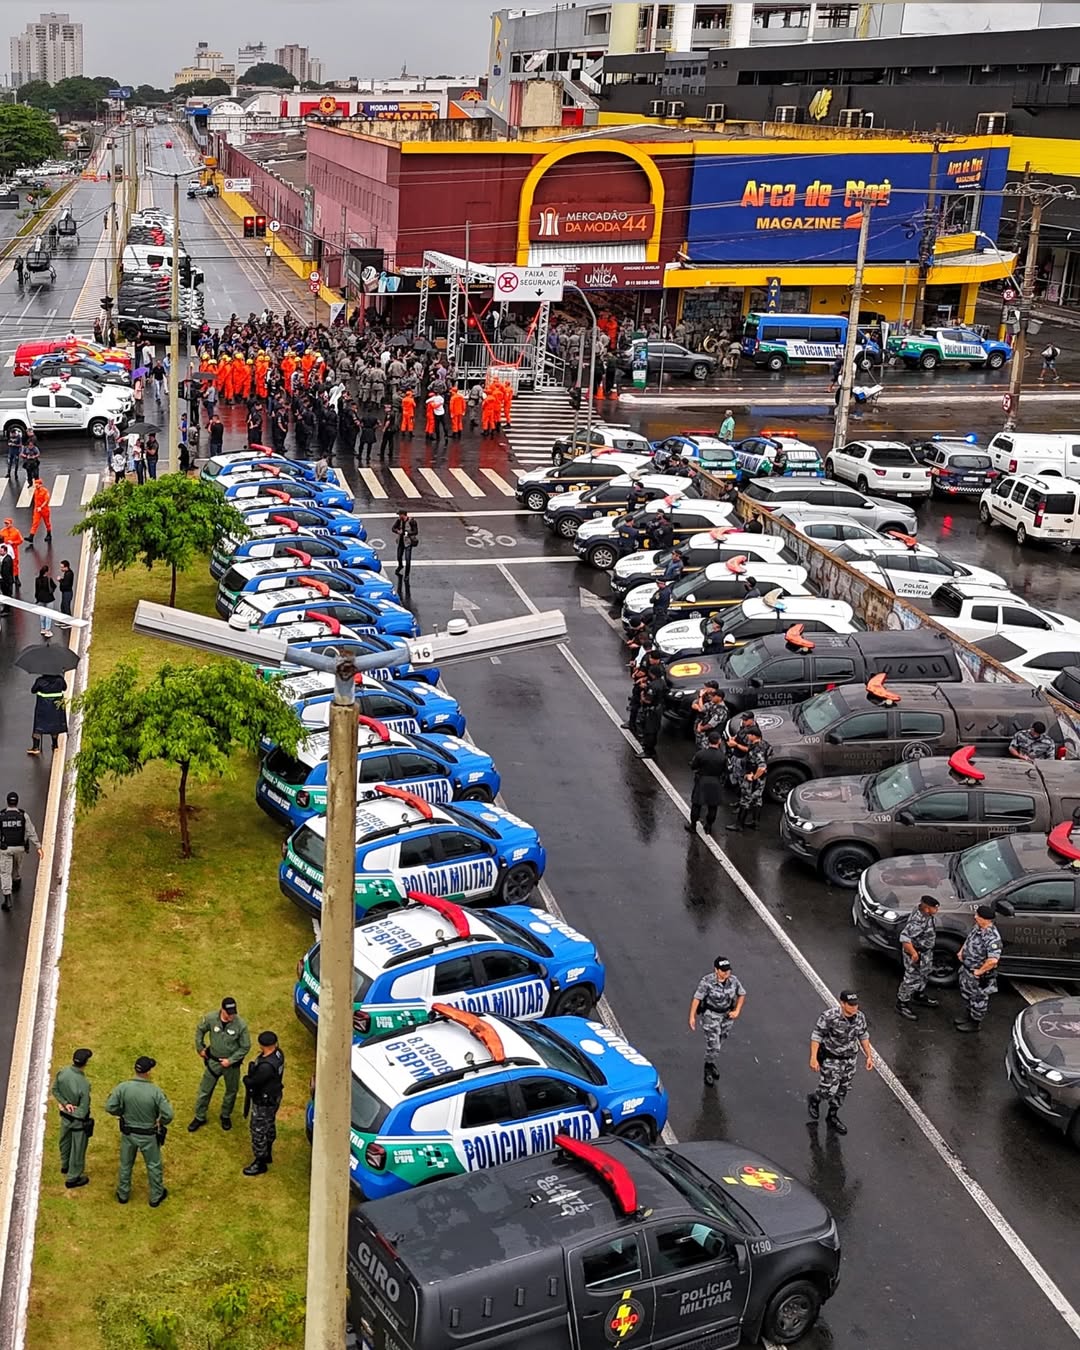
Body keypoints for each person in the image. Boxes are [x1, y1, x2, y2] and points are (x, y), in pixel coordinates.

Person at [105, 1056, 174, 1207]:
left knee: (125, 1164)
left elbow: (110, 1107)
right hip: (149, 1135)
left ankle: (123, 1194)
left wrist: (122, 1113)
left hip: (128, 1134)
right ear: (148, 1072)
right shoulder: (155, 1091)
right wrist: (160, 1122)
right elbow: (168, 1115)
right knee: (153, 1165)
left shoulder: (123, 1087)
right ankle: (156, 1196)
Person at [808, 991, 873, 1134]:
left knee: (843, 1089)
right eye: (851, 1005)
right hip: (832, 1058)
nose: (854, 1008)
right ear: (842, 1003)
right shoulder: (830, 1017)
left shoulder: (860, 1017)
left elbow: (863, 1035)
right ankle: (815, 1099)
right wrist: (813, 1057)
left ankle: (832, 1115)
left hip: (849, 1060)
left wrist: (869, 1056)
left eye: (855, 1005)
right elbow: (817, 1035)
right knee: (827, 1088)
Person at [189, 996, 251, 1133]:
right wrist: (200, 1048)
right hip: (213, 1061)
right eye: (229, 1013)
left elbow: (245, 1046)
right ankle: (200, 1116)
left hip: (231, 1065)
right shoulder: (211, 1018)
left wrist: (231, 1060)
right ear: (222, 1010)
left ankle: (225, 1115)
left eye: (233, 1013)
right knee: (205, 1090)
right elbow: (200, 1029)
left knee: (231, 1091)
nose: (231, 1016)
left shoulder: (240, 1025)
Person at [688, 957, 747, 1085]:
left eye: (728, 970)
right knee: (714, 1044)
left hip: (726, 1016)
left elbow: (742, 994)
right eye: (723, 970)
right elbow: (697, 998)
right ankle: (708, 1068)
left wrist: (737, 1010)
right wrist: (692, 1016)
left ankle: (711, 1061)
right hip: (711, 1015)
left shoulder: (733, 981)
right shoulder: (707, 982)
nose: (726, 973)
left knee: (720, 1041)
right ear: (716, 970)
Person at [241, 1030, 285, 1175]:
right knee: (269, 1123)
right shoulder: (278, 1054)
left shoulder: (265, 1066)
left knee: (258, 1130)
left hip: (263, 1101)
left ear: (261, 1045)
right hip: (274, 1095)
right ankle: (268, 1152)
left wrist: (246, 1079)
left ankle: (260, 1162)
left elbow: (254, 1082)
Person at [955, 904, 1003, 1033]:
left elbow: (993, 960)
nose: (975, 917)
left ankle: (975, 1023)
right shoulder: (978, 928)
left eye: (978, 916)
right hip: (967, 970)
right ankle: (968, 1016)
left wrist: (979, 971)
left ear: (985, 919)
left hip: (978, 975)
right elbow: (969, 939)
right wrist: (962, 951)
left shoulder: (992, 937)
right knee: (967, 995)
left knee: (978, 999)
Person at [52, 1047, 93, 1189]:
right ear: (86, 1063)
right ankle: (73, 1178)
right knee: (78, 1149)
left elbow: (55, 1090)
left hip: (65, 1117)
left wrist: (64, 1104)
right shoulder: (84, 1084)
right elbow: (83, 1111)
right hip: (78, 1122)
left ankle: (65, 1165)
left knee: (64, 1141)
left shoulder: (63, 1072)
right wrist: (71, 1111)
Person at [895, 895, 940, 1022]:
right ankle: (902, 1003)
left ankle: (918, 995)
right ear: (927, 909)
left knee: (924, 974)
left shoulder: (926, 915)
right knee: (911, 979)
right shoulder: (918, 921)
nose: (937, 910)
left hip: (925, 953)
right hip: (917, 954)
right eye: (935, 908)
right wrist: (914, 954)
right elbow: (905, 938)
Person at [0, 791, 42, 912]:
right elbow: (31, 831)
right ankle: (16, 879)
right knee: (17, 866)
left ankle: (7, 899)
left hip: (5, 848)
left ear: (7, 802)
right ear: (17, 802)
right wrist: (38, 846)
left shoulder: (1, 815)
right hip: (20, 848)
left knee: (5, 872)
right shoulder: (23, 815)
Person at [686, 730, 728, 835]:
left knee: (696, 804)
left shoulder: (701, 754)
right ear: (719, 741)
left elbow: (693, 766)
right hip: (715, 782)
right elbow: (726, 771)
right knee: (713, 806)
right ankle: (708, 826)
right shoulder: (722, 757)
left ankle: (693, 826)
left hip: (702, 780)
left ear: (708, 741)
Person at [728, 726, 767, 832]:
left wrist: (753, 777)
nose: (748, 736)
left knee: (745, 800)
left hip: (752, 777)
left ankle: (739, 824)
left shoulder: (756, 749)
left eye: (749, 735)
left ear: (754, 736)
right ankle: (755, 822)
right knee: (757, 800)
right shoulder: (764, 744)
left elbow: (762, 766)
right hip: (761, 779)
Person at [29, 671, 66, 753]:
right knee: (54, 726)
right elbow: (64, 688)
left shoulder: (40, 680)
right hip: (56, 707)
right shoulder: (59, 679)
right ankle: (55, 745)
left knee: (38, 727)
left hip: (43, 707)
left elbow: (33, 690)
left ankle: (36, 747)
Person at [392, 509, 418, 579]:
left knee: (408, 560)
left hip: (408, 542)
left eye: (400, 515)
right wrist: (397, 531)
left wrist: (407, 533)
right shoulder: (399, 521)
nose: (399, 516)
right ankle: (400, 565)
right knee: (399, 556)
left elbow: (415, 531)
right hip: (400, 542)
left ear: (403, 515)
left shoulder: (412, 521)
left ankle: (407, 575)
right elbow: (393, 528)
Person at [25, 480, 52, 546]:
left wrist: (41, 507)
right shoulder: (36, 491)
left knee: (47, 522)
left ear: (41, 484)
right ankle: (31, 536)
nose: (36, 485)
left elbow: (46, 500)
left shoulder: (45, 491)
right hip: (37, 510)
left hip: (44, 509)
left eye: (37, 484)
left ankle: (49, 534)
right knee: (35, 523)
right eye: (35, 484)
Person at [33, 565, 56, 636]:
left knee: (42, 614)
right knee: (49, 614)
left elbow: (36, 590)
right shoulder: (49, 579)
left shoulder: (37, 579)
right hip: (49, 598)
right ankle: (47, 630)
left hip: (40, 598)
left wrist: (37, 598)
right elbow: (54, 586)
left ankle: (42, 628)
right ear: (46, 572)